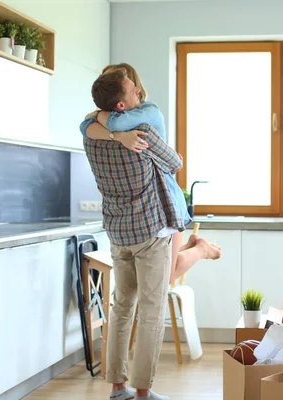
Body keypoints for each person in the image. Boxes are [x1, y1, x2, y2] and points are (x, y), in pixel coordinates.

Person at [80, 68, 215, 400]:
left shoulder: (91, 137)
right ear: (122, 106)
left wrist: (110, 129)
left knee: (122, 306)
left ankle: (117, 388)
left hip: (119, 233)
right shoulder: (145, 132)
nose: (139, 93)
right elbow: (175, 162)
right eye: (132, 91)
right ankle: (142, 392)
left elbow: (87, 124)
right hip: (152, 232)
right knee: (152, 309)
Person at [80, 64, 221, 286]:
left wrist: (101, 117)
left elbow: (108, 122)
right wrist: (115, 134)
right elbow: (85, 127)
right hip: (151, 207)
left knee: (167, 276)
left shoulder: (148, 112)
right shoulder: (113, 117)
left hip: (167, 201)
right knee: (160, 267)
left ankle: (201, 249)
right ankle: (193, 246)